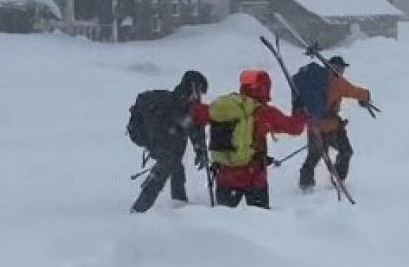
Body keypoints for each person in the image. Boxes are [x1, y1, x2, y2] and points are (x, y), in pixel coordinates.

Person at [199, 68, 306, 209]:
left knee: (223, 223)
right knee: (260, 224)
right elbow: (295, 128)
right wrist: (299, 109)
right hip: (253, 177)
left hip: (224, 175)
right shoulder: (264, 112)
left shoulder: (226, 108)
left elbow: (197, 114)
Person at [130, 70, 210, 214]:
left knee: (175, 167)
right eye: (199, 90)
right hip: (161, 141)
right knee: (166, 167)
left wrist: (200, 149)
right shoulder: (174, 103)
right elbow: (191, 126)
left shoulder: (184, 104)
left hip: (167, 142)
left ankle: (178, 204)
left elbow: (194, 127)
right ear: (193, 87)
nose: (200, 95)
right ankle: (139, 209)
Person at [299, 54, 372, 191]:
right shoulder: (338, 82)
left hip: (314, 125)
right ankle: (339, 179)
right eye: (341, 68)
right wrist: (366, 96)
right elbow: (356, 92)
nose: (342, 71)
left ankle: (305, 185)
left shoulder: (314, 81)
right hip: (332, 127)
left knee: (313, 158)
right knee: (346, 151)